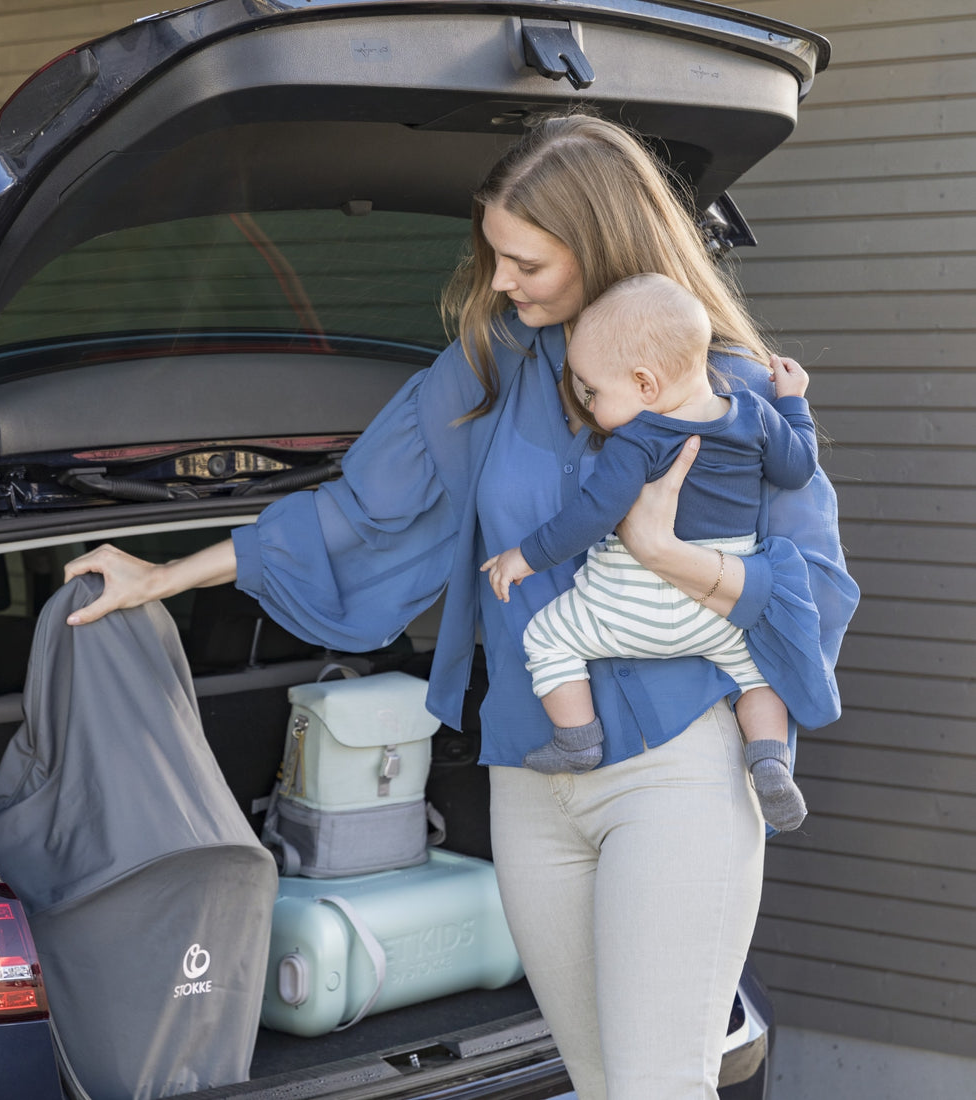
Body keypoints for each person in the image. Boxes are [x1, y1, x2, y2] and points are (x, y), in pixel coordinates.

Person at [64, 114, 858, 1100]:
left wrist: (663, 554)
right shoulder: (488, 371)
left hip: (675, 771)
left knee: (658, 1085)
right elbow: (357, 513)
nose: (497, 284)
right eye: (491, 257)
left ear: (600, 244)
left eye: (522, 260)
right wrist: (162, 574)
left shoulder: (725, 398)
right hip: (532, 772)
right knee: (601, 1080)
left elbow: (812, 590)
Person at [481, 272, 818, 832]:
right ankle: (769, 761)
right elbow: (798, 467)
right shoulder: (756, 416)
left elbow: (590, 517)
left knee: (547, 638)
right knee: (758, 676)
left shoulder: (637, 440)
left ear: (644, 384)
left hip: (626, 603)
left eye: (592, 390)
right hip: (716, 609)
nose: (587, 403)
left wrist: (525, 556)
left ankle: (577, 740)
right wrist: (794, 404)